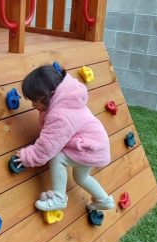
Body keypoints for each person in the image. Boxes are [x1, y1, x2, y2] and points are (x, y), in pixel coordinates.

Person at [14, 64, 115, 212]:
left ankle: (59, 199)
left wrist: (27, 157)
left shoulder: (60, 115)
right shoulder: (67, 98)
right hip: (95, 143)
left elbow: (47, 146)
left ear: (47, 95)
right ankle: (104, 200)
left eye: (34, 100)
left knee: (57, 157)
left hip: (89, 147)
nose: (32, 104)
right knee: (81, 177)